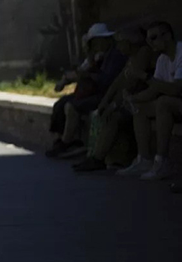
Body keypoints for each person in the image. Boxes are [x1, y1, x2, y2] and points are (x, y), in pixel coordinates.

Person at [73, 27, 154, 172]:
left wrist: (114, 105)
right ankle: (98, 157)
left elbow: (131, 85)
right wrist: (105, 103)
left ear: (129, 43)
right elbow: (118, 82)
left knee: (114, 117)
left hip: (142, 101)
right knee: (102, 113)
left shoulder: (143, 54)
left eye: (120, 42)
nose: (117, 46)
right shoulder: (130, 56)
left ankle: (99, 159)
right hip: (132, 101)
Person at [46, 23, 126, 158]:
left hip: (104, 94)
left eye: (96, 42)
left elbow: (107, 81)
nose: (95, 45)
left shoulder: (114, 57)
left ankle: (66, 143)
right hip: (91, 91)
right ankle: (65, 140)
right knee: (61, 104)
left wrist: (89, 75)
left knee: (72, 106)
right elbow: (80, 72)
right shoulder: (96, 57)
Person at [117, 21, 182, 180]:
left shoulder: (181, 53)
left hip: (176, 102)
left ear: (167, 36)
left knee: (163, 102)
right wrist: (132, 99)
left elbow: (177, 90)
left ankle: (163, 161)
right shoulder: (162, 59)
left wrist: (143, 76)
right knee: (139, 108)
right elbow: (154, 90)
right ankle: (144, 159)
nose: (150, 43)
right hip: (176, 105)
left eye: (153, 38)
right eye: (148, 39)